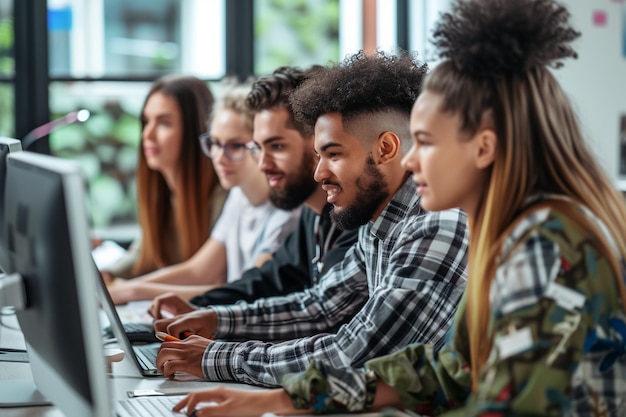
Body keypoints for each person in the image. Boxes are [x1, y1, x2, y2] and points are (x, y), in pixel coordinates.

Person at [171, 1, 626, 416]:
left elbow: (508, 409)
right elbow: (449, 371)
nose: (409, 161)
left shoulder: (545, 244)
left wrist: (234, 365)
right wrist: (289, 398)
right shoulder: (508, 234)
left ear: (483, 147)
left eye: (425, 143)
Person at [154, 50, 469, 389]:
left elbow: (355, 352)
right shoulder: (379, 224)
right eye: (319, 155)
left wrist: (217, 357)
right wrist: (218, 320)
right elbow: (320, 307)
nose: (319, 173)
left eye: (333, 154)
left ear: (386, 149)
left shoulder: (435, 226)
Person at [146, 65, 359, 317]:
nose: (262, 165)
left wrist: (217, 328)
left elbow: (321, 316)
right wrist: (201, 308)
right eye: (257, 148)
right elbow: (263, 282)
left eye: (277, 146)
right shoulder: (311, 217)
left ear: (317, 143)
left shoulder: (352, 221)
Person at [107, 80, 301, 304]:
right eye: (215, 144)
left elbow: (244, 290)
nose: (219, 158)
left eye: (236, 146)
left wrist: (133, 291)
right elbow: (198, 270)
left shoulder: (285, 212)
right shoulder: (239, 196)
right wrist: (129, 288)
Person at [101, 75, 226, 282]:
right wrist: (108, 275)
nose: (147, 135)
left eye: (164, 123)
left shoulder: (224, 197)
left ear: (196, 130)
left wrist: (124, 289)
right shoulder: (163, 193)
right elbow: (143, 252)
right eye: (146, 122)